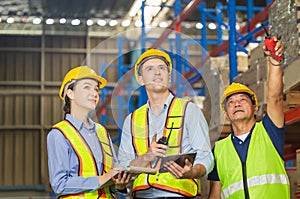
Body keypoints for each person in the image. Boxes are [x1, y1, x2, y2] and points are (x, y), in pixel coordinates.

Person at [118, 48, 214, 198]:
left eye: (162, 68)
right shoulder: (132, 120)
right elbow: (124, 166)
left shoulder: (189, 110)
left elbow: (205, 155)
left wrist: (193, 171)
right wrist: (147, 156)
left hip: (179, 194)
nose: (157, 72)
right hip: (142, 195)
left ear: (169, 77)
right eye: (150, 69)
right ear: (141, 80)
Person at [208, 37, 290, 199]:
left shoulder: (269, 131)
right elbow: (215, 194)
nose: (236, 104)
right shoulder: (218, 150)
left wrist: (274, 61)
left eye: (242, 100)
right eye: (231, 102)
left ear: (255, 108)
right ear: (226, 115)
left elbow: (275, 97)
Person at [47, 66, 131, 198]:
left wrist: (120, 185)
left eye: (96, 89)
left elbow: (112, 177)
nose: (94, 93)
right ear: (70, 93)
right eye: (87, 87)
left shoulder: (102, 132)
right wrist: (100, 180)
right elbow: (59, 184)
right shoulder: (59, 134)